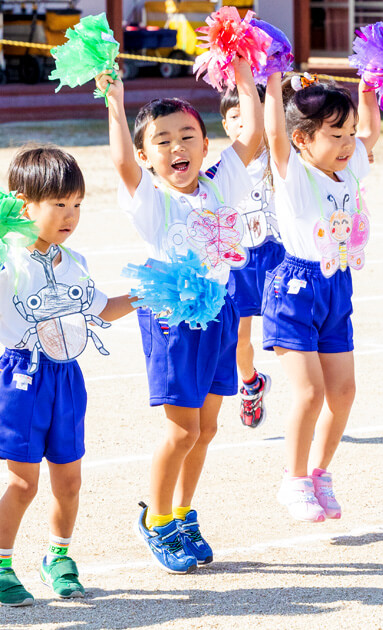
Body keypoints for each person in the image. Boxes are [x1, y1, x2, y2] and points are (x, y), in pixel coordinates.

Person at [0, 145, 134, 606]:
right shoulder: (5, 261)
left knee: (68, 480)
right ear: (22, 204)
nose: (70, 216)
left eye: (77, 205)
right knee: (22, 482)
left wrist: (146, 293)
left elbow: (103, 309)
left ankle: (57, 557)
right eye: (59, 205)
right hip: (21, 378)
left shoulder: (74, 262)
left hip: (67, 376)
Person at [97, 57, 263, 572]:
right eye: (163, 141)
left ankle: (184, 512)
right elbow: (122, 163)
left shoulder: (220, 185)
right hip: (172, 319)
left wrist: (242, 74)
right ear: (149, 156)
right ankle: (158, 519)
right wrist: (116, 105)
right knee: (181, 431)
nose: (177, 147)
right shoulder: (151, 201)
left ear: (206, 145)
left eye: (188, 135)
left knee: (207, 428)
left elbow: (253, 135)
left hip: (218, 311)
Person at [262, 70, 379, 522]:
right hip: (295, 288)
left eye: (348, 133)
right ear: (303, 140)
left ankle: (319, 473)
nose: (348, 143)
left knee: (343, 392)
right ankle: (293, 480)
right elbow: (273, 134)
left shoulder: (348, 169)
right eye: (336, 134)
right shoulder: (294, 175)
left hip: (337, 283)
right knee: (309, 392)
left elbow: (371, 132)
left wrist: (370, 87)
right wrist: (272, 84)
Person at [214, 84, 285, 429]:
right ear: (225, 125)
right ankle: (250, 383)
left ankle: (314, 389)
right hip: (238, 263)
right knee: (238, 339)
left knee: (289, 334)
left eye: (250, 114)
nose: (244, 123)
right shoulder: (219, 169)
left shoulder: (281, 156)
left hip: (277, 256)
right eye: (235, 116)